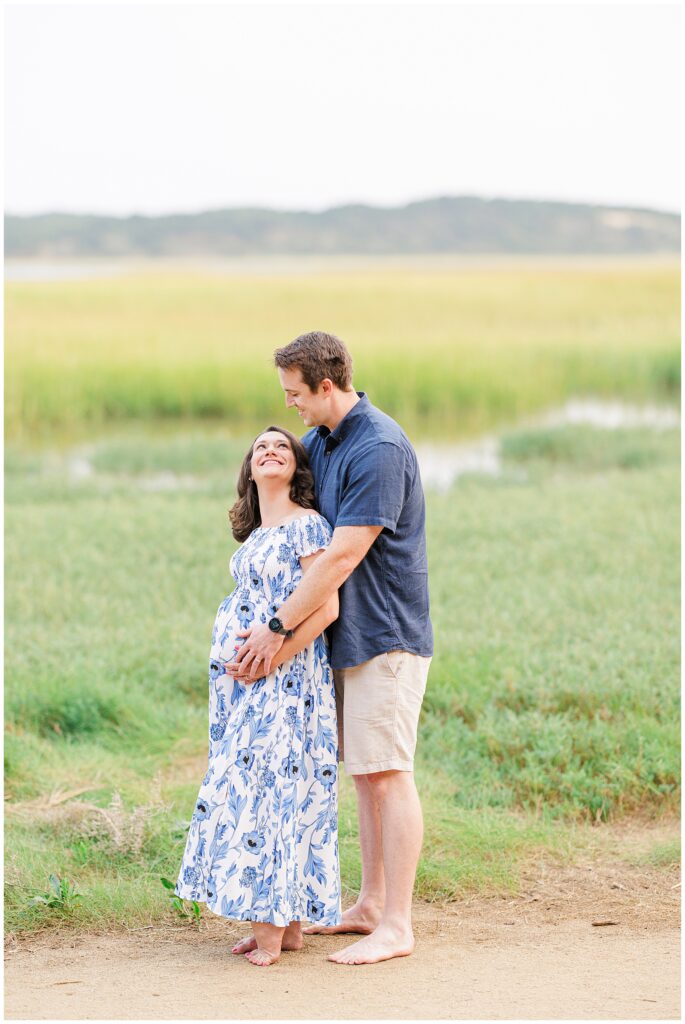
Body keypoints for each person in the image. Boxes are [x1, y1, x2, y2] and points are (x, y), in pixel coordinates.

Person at [230, 331, 433, 966]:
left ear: (326, 386)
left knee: (388, 773)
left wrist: (278, 627)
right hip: (341, 640)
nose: (288, 405)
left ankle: (396, 924)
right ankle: (369, 905)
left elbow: (344, 553)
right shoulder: (322, 442)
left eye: (294, 393)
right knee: (363, 775)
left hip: (386, 633)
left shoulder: (378, 445)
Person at [174, 426, 341, 967]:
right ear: (249, 468)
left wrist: (273, 656)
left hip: (284, 684)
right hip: (245, 686)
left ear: (296, 468)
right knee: (253, 785)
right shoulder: (257, 534)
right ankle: (285, 925)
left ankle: (269, 929)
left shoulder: (307, 525)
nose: (270, 451)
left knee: (273, 790)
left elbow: (327, 607)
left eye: (282, 447)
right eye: (261, 448)